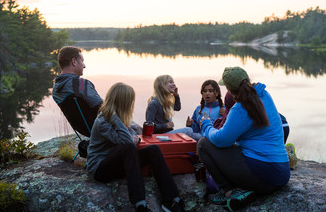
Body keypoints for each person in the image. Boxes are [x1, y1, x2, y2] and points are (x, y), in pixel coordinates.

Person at [197, 67, 290, 211]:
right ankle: (246, 189)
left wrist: (206, 125)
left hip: (264, 176)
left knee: (203, 144)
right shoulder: (263, 94)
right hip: (282, 173)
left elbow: (222, 140)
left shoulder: (240, 108)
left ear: (228, 88)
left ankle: (230, 192)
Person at [87, 82, 185, 212]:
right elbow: (127, 141)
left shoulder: (120, 118)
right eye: (130, 101)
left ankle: (172, 200)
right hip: (100, 168)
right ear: (123, 101)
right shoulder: (103, 121)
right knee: (128, 147)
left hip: (118, 163)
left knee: (154, 150)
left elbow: (134, 135)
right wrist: (116, 118)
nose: (131, 104)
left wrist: (131, 136)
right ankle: (140, 205)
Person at [52, 46, 103, 131]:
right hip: (102, 130)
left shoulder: (56, 88)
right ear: (74, 62)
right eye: (82, 61)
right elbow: (104, 108)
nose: (84, 66)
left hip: (85, 130)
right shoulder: (80, 84)